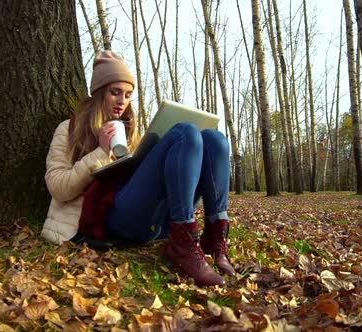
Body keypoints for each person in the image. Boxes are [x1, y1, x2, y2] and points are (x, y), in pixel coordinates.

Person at [41, 51, 234, 287]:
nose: (122, 101)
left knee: (214, 139)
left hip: (155, 219)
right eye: (115, 93)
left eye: (128, 95)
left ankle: (213, 237)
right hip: (108, 218)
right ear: (100, 92)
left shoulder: (130, 131)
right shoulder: (69, 129)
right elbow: (58, 188)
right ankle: (184, 245)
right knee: (185, 133)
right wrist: (101, 152)